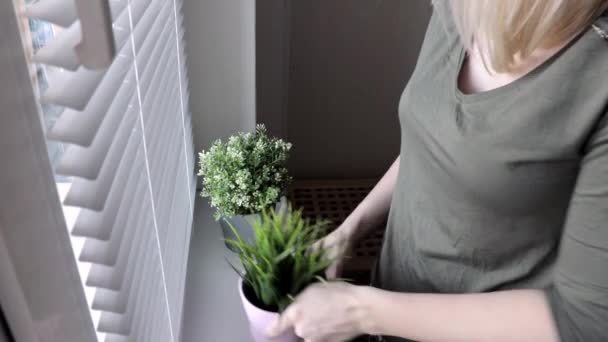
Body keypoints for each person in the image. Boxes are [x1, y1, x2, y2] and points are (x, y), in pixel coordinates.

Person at [265, 0, 608, 341]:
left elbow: (584, 321)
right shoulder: (459, 9)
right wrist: (349, 231)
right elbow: (434, 146)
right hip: (388, 306)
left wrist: (362, 311)